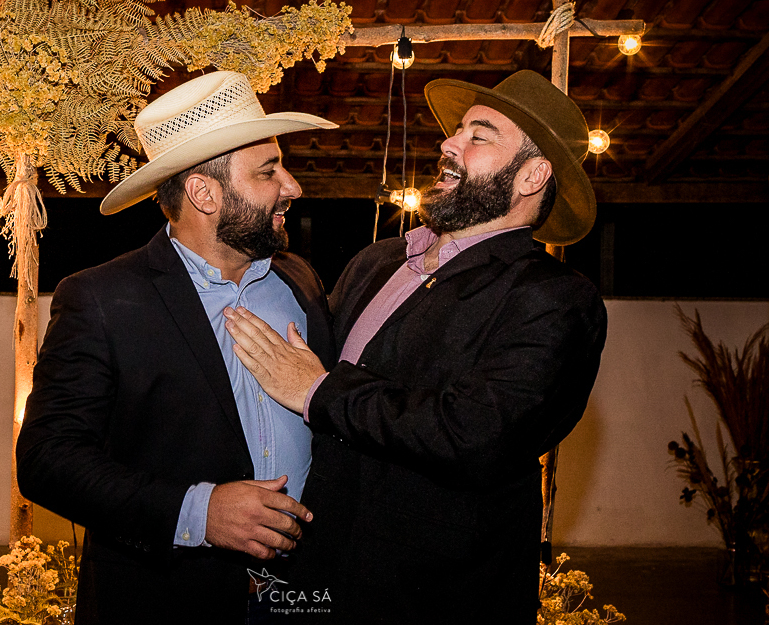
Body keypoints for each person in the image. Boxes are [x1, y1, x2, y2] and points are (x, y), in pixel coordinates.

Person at [223, 70, 609, 623]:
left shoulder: (553, 297)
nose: (448, 143)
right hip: (318, 577)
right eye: (456, 130)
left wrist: (319, 391)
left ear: (532, 175)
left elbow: (475, 434)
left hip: (436, 596)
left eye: (478, 136)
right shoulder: (378, 261)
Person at [15, 70, 337, 623]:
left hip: (303, 597)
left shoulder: (299, 280)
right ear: (204, 193)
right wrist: (199, 512)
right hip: (167, 601)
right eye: (269, 171)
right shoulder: (101, 299)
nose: (293, 186)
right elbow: (48, 460)